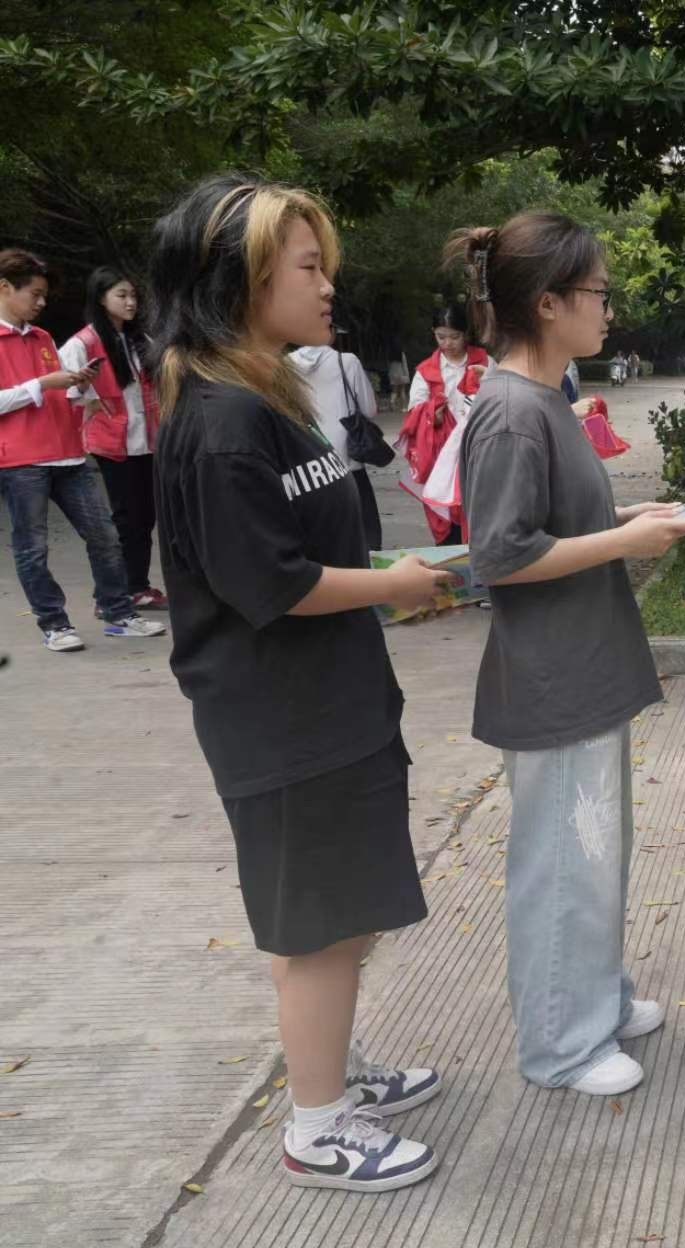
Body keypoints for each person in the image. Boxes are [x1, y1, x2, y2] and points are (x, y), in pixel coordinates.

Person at [148, 176, 451, 1191]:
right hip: (284, 719)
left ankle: (332, 1072)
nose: (328, 287)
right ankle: (317, 1127)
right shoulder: (224, 420)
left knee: (338, 911)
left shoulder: (265, 393)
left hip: (329, 703)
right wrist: (398, 584)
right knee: (319, 922)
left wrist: (391, 579)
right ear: (242, 280)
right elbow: (270, 583)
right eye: (309, 267)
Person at [450, 212, 685, 1097]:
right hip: (553, 677)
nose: (608, 309)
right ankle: (562, 1043)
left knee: (594, 852)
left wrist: (628, 519)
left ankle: (596, 1001)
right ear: (548, 303)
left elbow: (556, 522)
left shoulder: (543, 400)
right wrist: (624, 544)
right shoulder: (513, 412)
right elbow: (501, 555)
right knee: (563, 864)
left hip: (584, 664)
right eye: (597, 292)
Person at [0, 249, 166, 652]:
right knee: (32, 548)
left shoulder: (42, 338)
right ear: (4, 287)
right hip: (22, 461)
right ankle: (55, 624)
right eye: (35, 294)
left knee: (105, 536)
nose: (42, 302)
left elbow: (57, 396)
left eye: (44, 295)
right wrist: (44, 384)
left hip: (70, 454)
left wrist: (79, 394)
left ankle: (118, 613)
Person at [61, 265, 167, 611]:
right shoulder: (83, 343)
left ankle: (136, 586)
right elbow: (67, 393)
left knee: (145, 516)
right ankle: (112, 593)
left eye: (133, 295)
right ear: (101, 298)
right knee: (126, 517)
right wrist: (87, 398)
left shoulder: (141, 340)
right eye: (122, 295)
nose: (130, 301)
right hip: (113, 442)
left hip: (147, 440)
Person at [291, 330, 385, 550]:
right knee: (365, 528)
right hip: (349, 456)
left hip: (308, 458)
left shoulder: (285, 365)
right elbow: (369, 409)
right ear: (331, 333)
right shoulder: (347, 362)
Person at [401, 308, 488, 544]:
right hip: (442, 454)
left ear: (466, 333)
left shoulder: (485, 363)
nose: (447, 343)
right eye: (441, 337)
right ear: (433, 333)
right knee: (447, 515)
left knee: (482, 508)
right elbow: (415, 411)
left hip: (480, 447)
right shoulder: (425, 371)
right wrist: (433, 416)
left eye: (454, 336)